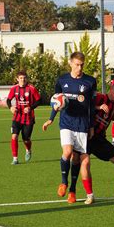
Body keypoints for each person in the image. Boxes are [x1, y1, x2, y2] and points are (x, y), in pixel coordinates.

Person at [42, 52, 97, 205]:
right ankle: (64, 182)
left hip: (82, 124)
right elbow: (56, 102)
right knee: (67, 152)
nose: (79, 67)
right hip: (66, 122)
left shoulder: (90, 81)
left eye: (82, 65)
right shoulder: (62, 80)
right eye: (77, 64)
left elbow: (92, 106)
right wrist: (50, 119)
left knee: (77, 158)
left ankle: (72, 190)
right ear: (71, 63)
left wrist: (92, 125)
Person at [6, 71, 41, 165]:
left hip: (29, 118)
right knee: (14, 136)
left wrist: (31, 108)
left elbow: (39, 100)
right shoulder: (14, 89)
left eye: (24, 78)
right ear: (17, 79)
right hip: (17, 117)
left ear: (27, 79)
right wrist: (11, 107)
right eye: (21, 78)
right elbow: (8, 100)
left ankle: (28, 149)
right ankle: (15, 158)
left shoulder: (31, 89)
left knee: (26, 139)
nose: (23, 80)